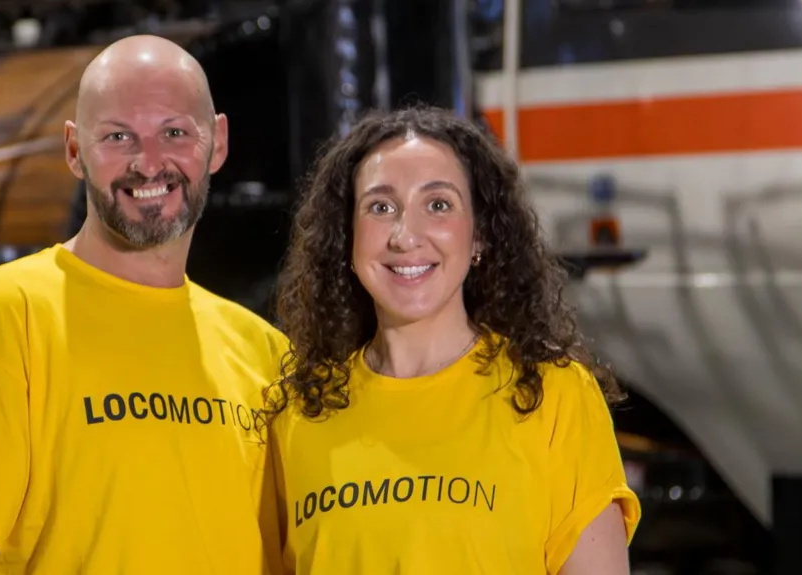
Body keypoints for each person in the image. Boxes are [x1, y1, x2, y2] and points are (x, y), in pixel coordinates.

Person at [0, 35, 286, 574]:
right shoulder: (10, 311)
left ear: (216, 143)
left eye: (174, 132)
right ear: (75, 151)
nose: (149, 164)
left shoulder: (265, 353)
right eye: (119, 137)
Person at [262, 105, 641, 574]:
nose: (405, 236)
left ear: (479, 235)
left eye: (438, 205)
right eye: (381, 207)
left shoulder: (552, 395)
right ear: (348, 238)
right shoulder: (301, 414)